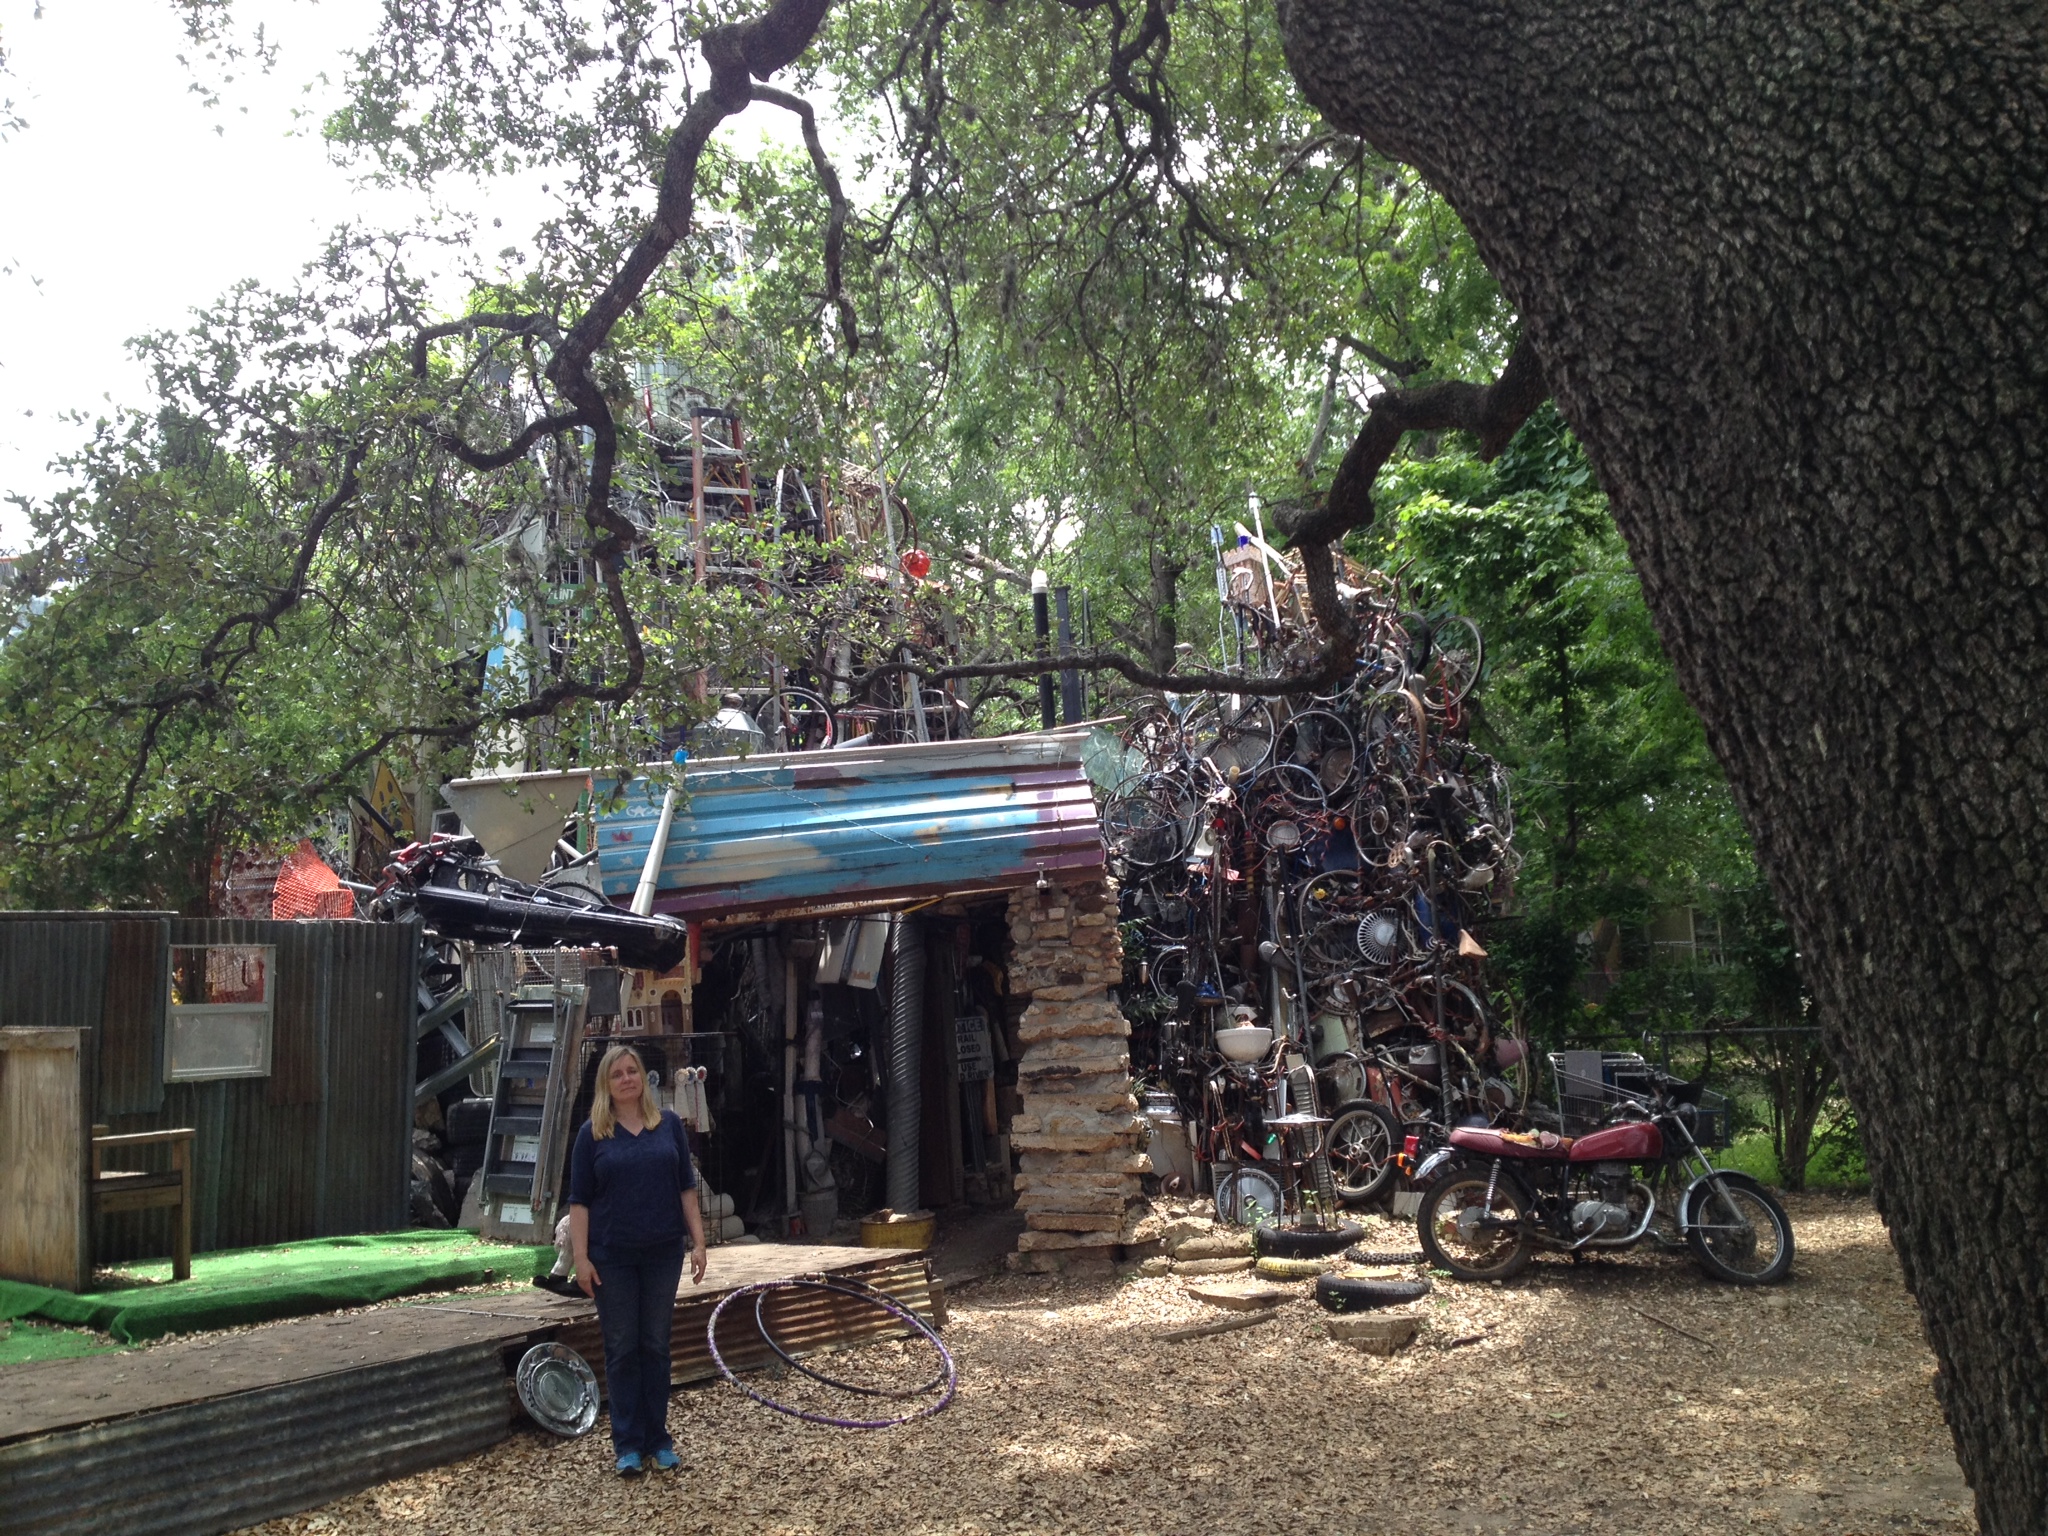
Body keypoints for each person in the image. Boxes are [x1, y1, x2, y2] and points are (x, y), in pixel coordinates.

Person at [568, 1043, 709, 1477]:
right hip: (612, 1257)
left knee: (655, 1345)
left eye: (632, 1071)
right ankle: (628, 1444)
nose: (626, 1079)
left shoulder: (667, 1125)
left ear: (642, 1077)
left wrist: (699, 1242)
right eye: (617, 1074)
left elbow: (686, 1188)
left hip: (662, 1253)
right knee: (622, 1348)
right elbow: (579, 1202)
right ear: (606, 1084)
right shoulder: (592, 1134)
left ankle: (658, 1440)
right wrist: (581, 1259)